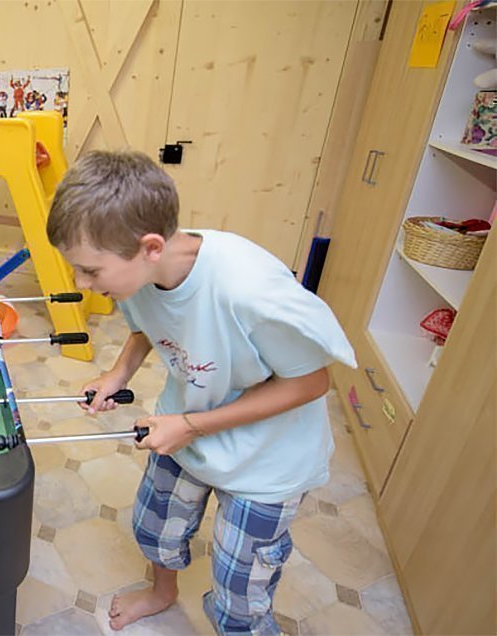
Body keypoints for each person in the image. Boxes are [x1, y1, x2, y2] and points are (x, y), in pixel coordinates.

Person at [45, 150, 356, 633]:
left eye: (90, 271)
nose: (83, 284)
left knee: (241, 589)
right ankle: (161, 592)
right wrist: (118, 374)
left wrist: (191, 425)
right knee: (156, 526)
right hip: (186, 422)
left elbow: (313, 381)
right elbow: (148, 325)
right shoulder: (143, 272)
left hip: (268, 459)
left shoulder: (248, 290)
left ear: (150, 246)